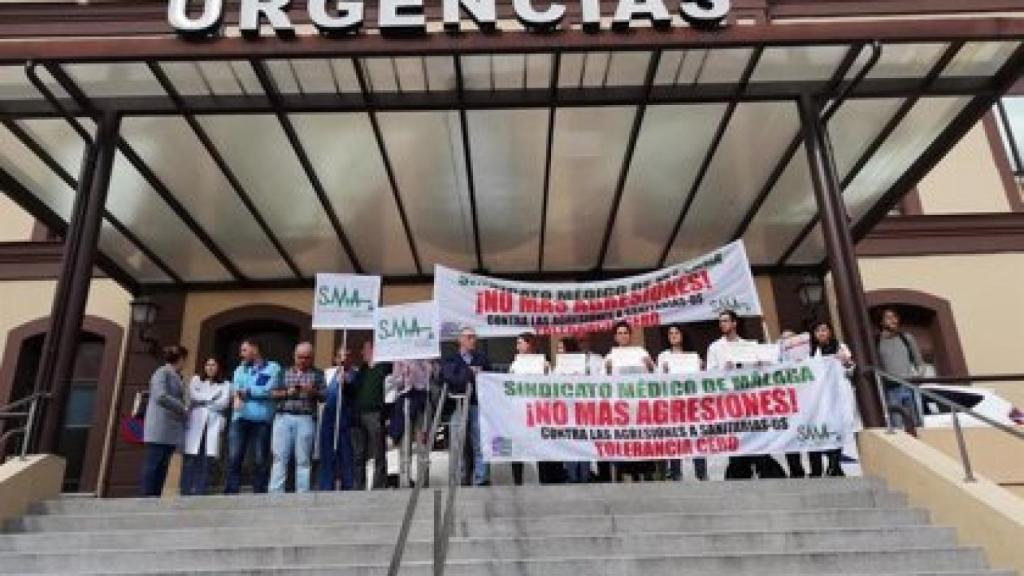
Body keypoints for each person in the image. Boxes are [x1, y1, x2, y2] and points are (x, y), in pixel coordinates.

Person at [707, 311, 786, 480]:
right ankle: (739, 472)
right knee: (736, 438)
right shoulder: (715, 347)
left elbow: (759, 370)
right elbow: (709, 375)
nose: (722, 324)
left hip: (749, 401)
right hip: (729, 402)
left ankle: (763, 469)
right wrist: (724, 370)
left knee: (755, 435)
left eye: (726, 321)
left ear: (735, 323)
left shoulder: (748, 345)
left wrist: (757, 365)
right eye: (720, 321)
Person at [225, 338, 281, 494]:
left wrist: (248, 392)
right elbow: (236, 389)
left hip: (261, 420)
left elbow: (269, 390)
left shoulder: (273, 367)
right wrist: (245, 392)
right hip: (240, 419)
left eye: (244, 350)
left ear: (255, 350)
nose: (241, 354)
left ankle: (259, 492)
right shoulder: (239, 369)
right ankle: (231, 492)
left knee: (260, 459)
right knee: (234, 457)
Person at [269, 342, 324, 493]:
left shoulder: (318, 374)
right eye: (300, 357)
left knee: (304, 459)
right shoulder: (283, 372)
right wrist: (288, 392)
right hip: (283, 416)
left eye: (307, 357)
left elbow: (324, 396)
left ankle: (303, 493)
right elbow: (272, 393)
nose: (303, 361)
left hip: (306, 418)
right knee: (279, 457)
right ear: (294, 356)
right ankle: (275, 493)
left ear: (312, 358)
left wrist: (312, 391)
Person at [441, 326, 492, 486]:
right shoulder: (450, 359)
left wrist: (464, 374)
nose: (473, 340)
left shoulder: (482, 358)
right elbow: (451, 379)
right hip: (458, 404)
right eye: (469, 337)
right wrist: (469, 372)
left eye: (474, 337)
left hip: (477, 404)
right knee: (458, 443)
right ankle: (461, 477)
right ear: (460, 340)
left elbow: (489, 380)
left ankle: (481, 478)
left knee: (479, 442)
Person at [656, 324, 707, 482]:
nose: (673, 335)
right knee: (675, 438)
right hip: (672, 404)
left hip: (692, 403)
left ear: (682, 334)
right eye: (670, 333)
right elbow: (657, 382)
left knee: (696, 437)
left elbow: (702, 380)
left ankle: (701, 472)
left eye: (676, 332)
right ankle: (676, 473)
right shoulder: (663, 356)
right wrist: (663, 372)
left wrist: (702, 368)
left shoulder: (693, 356)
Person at [606, 321, 655, 482]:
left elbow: (655, 376)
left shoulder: (641, 352)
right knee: (624, 440)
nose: (623, 336)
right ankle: (624, 473)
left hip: (640, 406)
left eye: (625, 332)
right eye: (619, 333)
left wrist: (650, 366)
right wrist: (607, 370)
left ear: (630, 335)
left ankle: (644, 473)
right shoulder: (611, 355)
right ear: (615, 337)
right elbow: (603, 382)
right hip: (621, 408)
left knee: (641, 439)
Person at [810, 320, 857, 477]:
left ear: (830, 332)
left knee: (839, 429)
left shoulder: (840, 347)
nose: (821, 333)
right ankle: (834, 466)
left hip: (839, 394)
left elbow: (850, 370)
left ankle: (833, 465)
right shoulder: (811, 352)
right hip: (822, 397)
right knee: (827, 430)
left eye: (824, 330)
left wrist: (845, 361)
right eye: (818, 331)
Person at [141, 345, 189, 497]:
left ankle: (155, 498)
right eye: (185, 359)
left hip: (169, 431)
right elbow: (160, 396)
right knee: (153, 466)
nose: (185, 363)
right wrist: (182, 407)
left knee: (162, 468)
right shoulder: (162, 372)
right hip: (159, 428)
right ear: (180, 359)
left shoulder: (176, 375)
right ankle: (146, 499)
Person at [180, 356, 229, 496]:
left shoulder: (226, 384)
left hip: (212, 425)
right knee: (190, 459)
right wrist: (212, 398)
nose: (210, 367)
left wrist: (203, 401)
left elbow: (223, 403)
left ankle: (200, 492)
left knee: (207, 460)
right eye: (208, 364)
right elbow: (193, 395)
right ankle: (185, 491)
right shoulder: (196, 380)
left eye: (213, 365)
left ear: (218, 367)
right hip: (196, 423)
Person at [508, 332, 551, 485]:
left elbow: (548, 386)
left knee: (540, 446)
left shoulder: (543, 362)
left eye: (520, 343)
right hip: (519, 411)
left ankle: (544, 480)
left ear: (529, 344)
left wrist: (546, 372)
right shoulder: (515, 364)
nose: (517, 346)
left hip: (537, 411)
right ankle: (518, 481)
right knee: (518, 447)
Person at [386, 358, 437, 486]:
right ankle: (405, 479)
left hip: (422, 399)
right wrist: (403, 375)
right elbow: (395, 382)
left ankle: (423, 480)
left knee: (423, 442)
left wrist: (429, 368)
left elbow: (433, 376)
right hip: (405, 400)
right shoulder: (399, 359)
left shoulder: (426, 355)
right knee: (405, 442)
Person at [350, 340, 392, 490]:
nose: (362, 352)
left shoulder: (385, 368)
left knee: (378, 451)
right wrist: (344, 384)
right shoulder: (362, 370)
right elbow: (352, 391)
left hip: (375, 414)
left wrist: (386, 414)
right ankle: (358, 486)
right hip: (358, 415)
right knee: (359, 453)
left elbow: (390, 391)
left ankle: (378, 486)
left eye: (365, 349)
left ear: (374, 350)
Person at [877, 308, 925, 427]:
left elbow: (920, 363)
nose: (893, 320)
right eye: (888, 317)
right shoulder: (876, 341)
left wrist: (917, 377)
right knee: (897, 426)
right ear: (882, 322)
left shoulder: (906, 338)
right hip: (890, 389)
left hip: (909, 387)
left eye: (895, 317)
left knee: (916, 425)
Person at [318, 345, 355, 491]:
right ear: (335, 358)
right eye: (341, 356)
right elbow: (322, 394)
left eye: (347, 356)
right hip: (328, 418)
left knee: (346, 454)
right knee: (327, 454)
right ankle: (326, 486)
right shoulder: (328, 373)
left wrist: (346, 382)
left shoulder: (354, 373)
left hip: (345, 419)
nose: (343, 359)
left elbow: (353, 391)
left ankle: (348, 485)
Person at [556, 337, 590, 484]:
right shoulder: (557, 367)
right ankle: (572, 475)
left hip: (582, 408)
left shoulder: (583, 363)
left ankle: (585, 475)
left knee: (583, 441)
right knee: (569, 442)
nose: (558, 351)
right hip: (565, 410)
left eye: (561, 348)